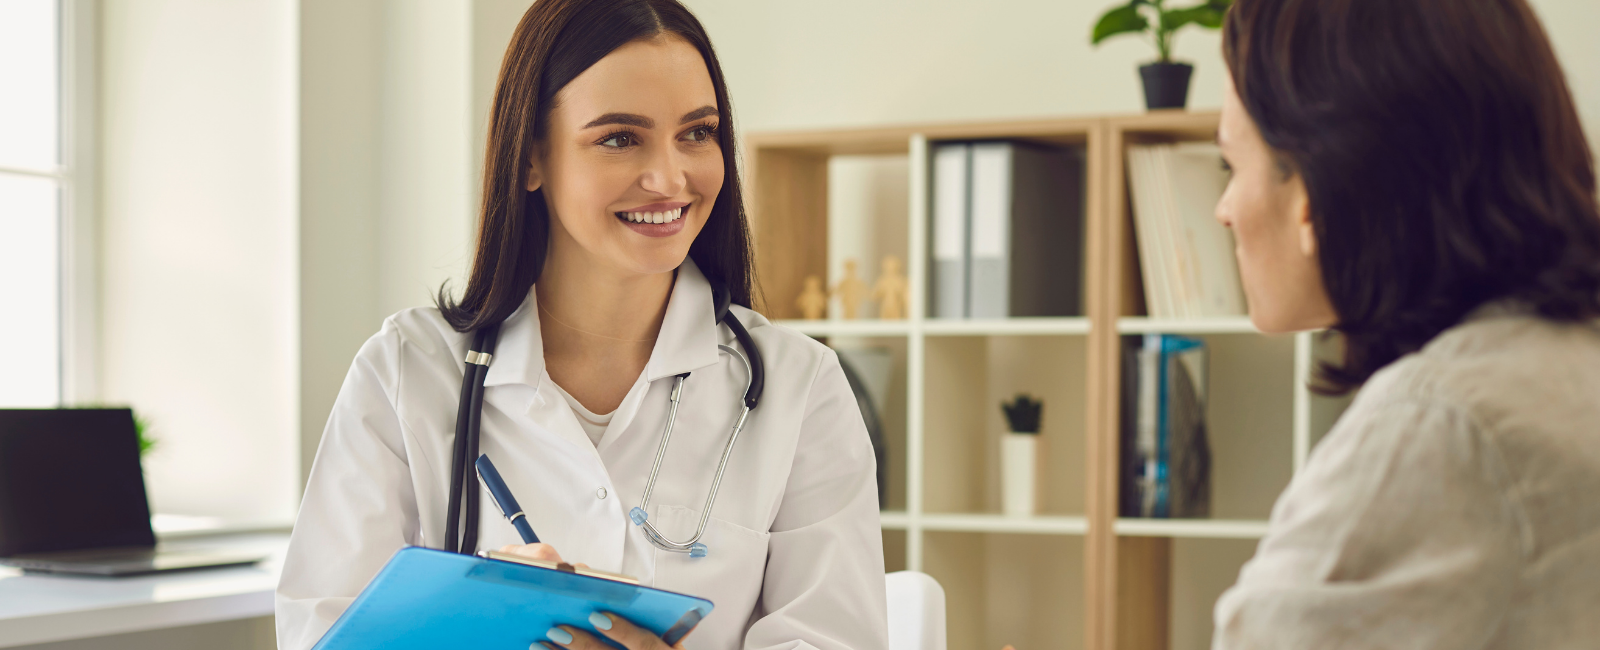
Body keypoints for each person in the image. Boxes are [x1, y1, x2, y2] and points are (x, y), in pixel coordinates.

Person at [274, 1, 888, 649]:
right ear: (531, 158)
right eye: (620, 137)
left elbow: (835, 638)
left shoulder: (800, 385)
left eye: (697, 133)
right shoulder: (406, 370)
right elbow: (323, 632)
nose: (670, 177)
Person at [1210, 0, 1600, 647]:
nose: (1224, 209)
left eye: (1232, 165)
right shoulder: (1569, 366)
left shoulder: (1439, 429)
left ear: (1311, 192)